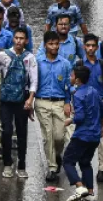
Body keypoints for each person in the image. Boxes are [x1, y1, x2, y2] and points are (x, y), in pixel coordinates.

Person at [0, 26, 36, 179]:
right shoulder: (3, 55)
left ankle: (21, 165)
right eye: (17, 38)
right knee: (7, 131)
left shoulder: (30, 58)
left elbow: (34, 81)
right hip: (6, 100)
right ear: (13, 39)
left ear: (26, 41)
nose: (19, 41)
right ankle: (7, 164)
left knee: (22, 133)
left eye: (22, 38)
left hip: (22, 100)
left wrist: (30, 99)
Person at [62, 65, 103, 201]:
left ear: (77, 80)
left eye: (72, 75)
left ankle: (79, 186)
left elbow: (80, 117)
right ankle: (90, 192)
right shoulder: (94, 91)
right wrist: (101, 127)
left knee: (67, 161)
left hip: (82, 135)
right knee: (85, 162)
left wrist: (70, 120)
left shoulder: (78, 95)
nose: (70, 77)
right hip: (94, 136)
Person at [34, 30, 72, 182]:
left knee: (59, 136)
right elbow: (32, 83)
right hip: (42, 101)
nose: (54, 47)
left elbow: (68, 85)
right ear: (45, 45)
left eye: (56, 44)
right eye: (51, 44)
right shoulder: (37, 62)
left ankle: (57, 154)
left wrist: (68, 102)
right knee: (47, 134)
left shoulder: (65, 64)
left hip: (59, 102)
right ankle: (51, 168)